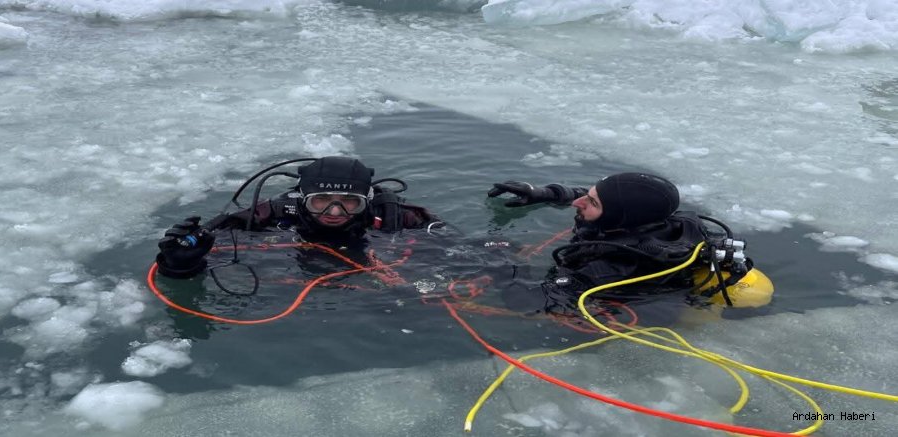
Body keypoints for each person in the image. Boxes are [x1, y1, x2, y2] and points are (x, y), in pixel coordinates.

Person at [156, 156, 442, 279]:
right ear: (301, 199)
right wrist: (180, 264)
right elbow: (212, 247)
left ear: (366, 202)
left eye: (349, 203)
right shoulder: (273, 213)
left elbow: (459, 251)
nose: (334, 213)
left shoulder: (393, 216)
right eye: (321, 201)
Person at [488, 173, 738, 313]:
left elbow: (527, 303)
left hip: (632, 308)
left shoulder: (614, 264)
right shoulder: (664, 219)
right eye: (588, 194)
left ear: (619, 217)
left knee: (492, 245)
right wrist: (550, 193)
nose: (578, 202)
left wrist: (504, 263)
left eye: (592, 202)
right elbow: (611, 199)